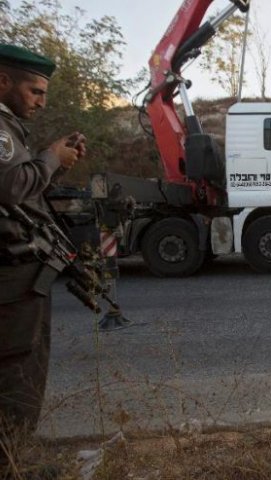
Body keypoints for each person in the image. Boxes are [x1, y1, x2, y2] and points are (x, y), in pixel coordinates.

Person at [0, 44, 86, 479]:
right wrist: (51, 157)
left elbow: (22, 195)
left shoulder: (11, 128)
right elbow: (11, 187)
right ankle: (12, 467)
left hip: (18, 275)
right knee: (18, 375)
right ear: (3, 81)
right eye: (34, 91)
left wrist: (58, 164)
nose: (40, 101)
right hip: (12, 279)